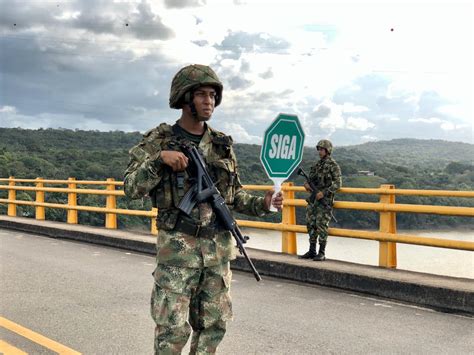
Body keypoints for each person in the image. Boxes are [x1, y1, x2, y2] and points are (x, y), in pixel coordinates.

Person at [123, 64, 283, 354]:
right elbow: (131, 188)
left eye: (212, 95)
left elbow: (233, 196)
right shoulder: (159, 141)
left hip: (217, 252)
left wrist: (264, 203)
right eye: (201, 95)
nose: (209, 101)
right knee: (171, 331)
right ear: (185, 99)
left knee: (214, 326)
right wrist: (159, 159)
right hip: (177, 253)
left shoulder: (221, 145)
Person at [299, 139, 341, 261]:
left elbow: (338, 183)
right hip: (314, 200)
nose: (320, 152)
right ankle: (312, 250)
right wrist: (306, 184)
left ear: (328, 150)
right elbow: (310, 179)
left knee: (322, 225)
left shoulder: (333, 165)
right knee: (311, 224)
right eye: (319, 149)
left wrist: (324, 193)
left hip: (324, 201)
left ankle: (321, 252)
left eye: (322, 149)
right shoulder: (317, 165)